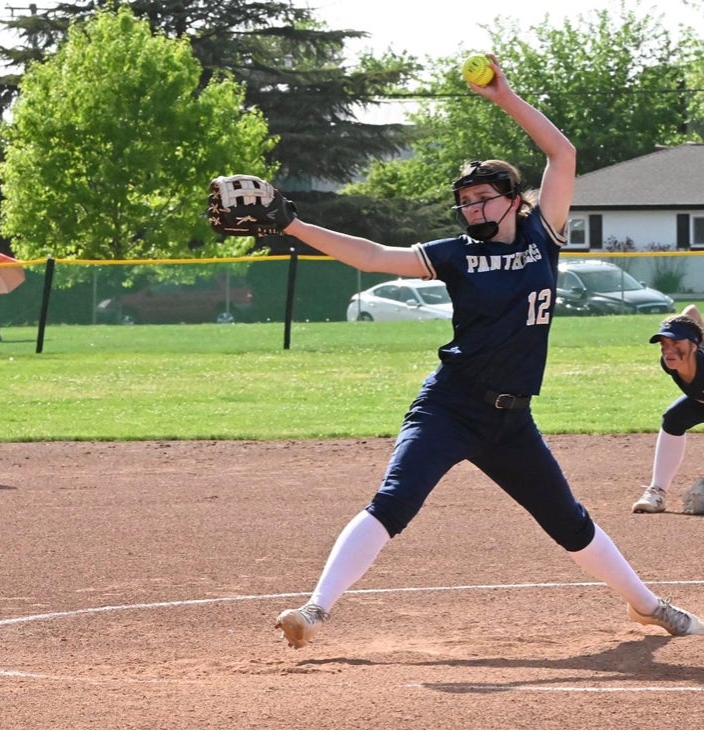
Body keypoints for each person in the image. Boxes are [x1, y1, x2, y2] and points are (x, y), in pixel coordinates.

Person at [263, 56, 704, 647]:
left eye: (483, 198)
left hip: (510, 419)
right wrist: (292, 225)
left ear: (513, 200)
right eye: (465, 201)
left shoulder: (542, 235)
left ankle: (648, 606)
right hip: (448, 407)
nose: (472, 209)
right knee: (394, 501)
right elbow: (371, 256)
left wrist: (505, 98)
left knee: (568, 523)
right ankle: (314, 610)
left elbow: (563, 154)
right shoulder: (455, 254)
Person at [632, 305, 704, 513]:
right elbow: (691, 310)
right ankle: (657, 492)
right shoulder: (671, 362)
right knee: (673, 419)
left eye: (676, 342)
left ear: (693, 346)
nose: (668, 350)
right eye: (664, 343)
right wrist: (683, 328)